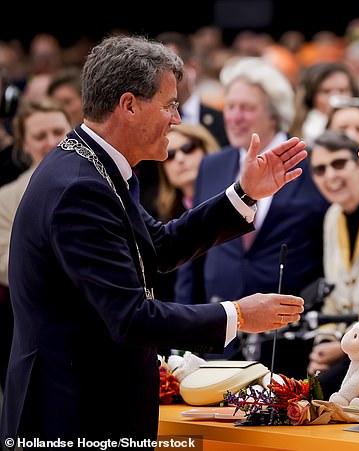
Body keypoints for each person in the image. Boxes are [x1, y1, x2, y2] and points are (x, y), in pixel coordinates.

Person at [0, 35, 306, 447]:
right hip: (72, 415)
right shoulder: (80, 186)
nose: (178, 118)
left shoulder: (91, 163)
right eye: (169, 105)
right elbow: (130, 318)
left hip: (85, 406)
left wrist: (244, 193)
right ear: (128, 105)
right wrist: (237, 315)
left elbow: (158, 245)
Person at [173, 56, 329, 375]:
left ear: (274, 113)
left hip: (288, 344)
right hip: (218, 341)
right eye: (229, 107)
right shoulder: (212, 165)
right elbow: (194, 251)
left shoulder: (312, 166)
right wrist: (185, 329)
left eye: (246, 108)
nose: (233, 117)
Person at [0, 96, 72, 398]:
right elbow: (6, 265)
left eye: (58, 132)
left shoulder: (101, 181)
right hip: (36, 332)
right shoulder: (7, 197)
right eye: (39, 136)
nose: (51, 142)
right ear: (23, 144)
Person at [306, 130, 359, 397]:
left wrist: (341, 347)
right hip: (345, 349)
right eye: (320, 169)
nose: (330, 176)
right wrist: (324, 345)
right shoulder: (331, 216)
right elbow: (333, 296)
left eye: (338, 164)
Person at [153, 124, 220, 302]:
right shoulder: (160, 221)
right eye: (171, 155)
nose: (180, 159)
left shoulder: (233, 204)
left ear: (206, 149)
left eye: (188, 148)